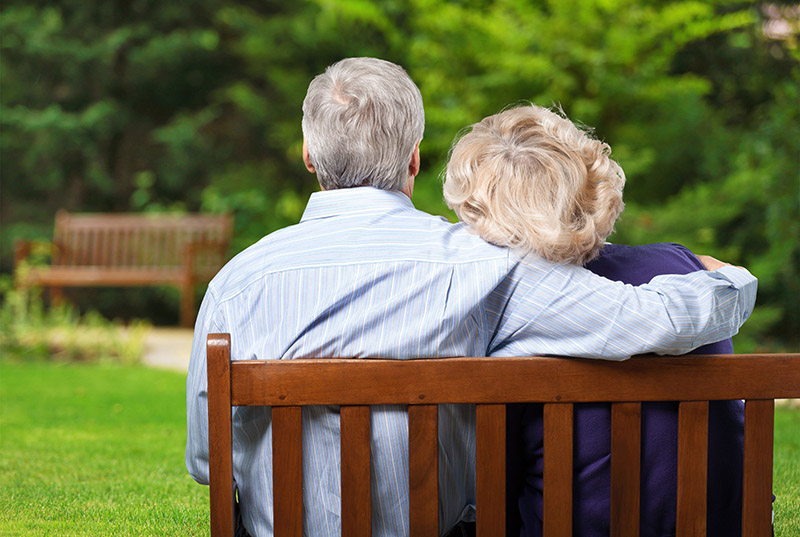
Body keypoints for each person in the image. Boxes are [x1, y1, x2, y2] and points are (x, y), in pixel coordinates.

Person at [186, 58, 756, 537]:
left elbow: (207, 462)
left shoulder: (236, 283)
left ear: (309, 155)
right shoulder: (486, 268)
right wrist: (727, 277)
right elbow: (654, 321)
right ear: (413, 158)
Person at [442, 103, 746, 536]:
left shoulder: (508, 310)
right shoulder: (684, 267)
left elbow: (495, 492)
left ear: (478, 212)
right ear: (594, 187)